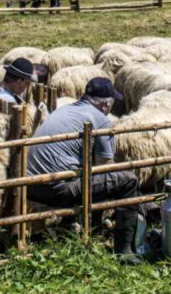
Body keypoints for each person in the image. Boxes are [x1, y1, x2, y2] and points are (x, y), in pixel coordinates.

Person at [28, 78, 144, 261]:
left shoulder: (64, 109)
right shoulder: (101, 120)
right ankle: (125, 249)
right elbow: (105, 166)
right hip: (57, 189)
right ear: (106, 104)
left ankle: (85, 226)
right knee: (127, 181)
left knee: (94, 178)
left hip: (29, 186)